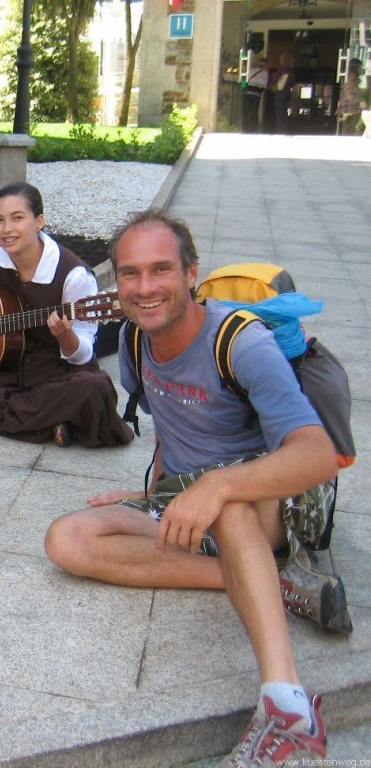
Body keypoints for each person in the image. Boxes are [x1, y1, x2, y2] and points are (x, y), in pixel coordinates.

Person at [44, 210, 351, 765]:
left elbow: (316, 455)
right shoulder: (136, 345)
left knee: (227, 508)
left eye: (160, 270)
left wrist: (216, 489)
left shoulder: (240, 341)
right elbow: (171, 426)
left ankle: (289, 709)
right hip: (189, 493)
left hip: (271, 497)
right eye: (130, 274)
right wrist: (152, 492)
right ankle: (272, 585)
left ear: (191, 274)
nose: (144, 287)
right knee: (68, 539)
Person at [0, 181, 134, 448]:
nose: (6, 229)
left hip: (56, 373)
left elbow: (84, 355)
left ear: (39, 221)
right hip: (5, 368)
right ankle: (48, 420)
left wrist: (66, 336)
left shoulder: (73, 275)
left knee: (94, 388)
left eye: (17, 218)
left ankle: (20, 414)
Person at [241, 55, 268, 134]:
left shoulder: (251, 70)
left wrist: (243, 88)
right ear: (265, 64)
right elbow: (264, 86)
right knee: (254, 111)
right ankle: (252, 130)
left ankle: (244, 129)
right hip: (256, 94)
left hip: (247, 92)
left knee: (245, 111)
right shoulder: (265, 73)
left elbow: (245, 81)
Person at [337, 58, 364, 136]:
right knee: (352, 120)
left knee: (347, 121)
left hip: (348, 99)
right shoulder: (353, 75)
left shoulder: (349, 75)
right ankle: (348, 133)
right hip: (351, 99)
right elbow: (353, 84)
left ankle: (346, 133)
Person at [271, 52, 296, 134]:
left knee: (279, 113)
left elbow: (275, 81)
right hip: (287, 93)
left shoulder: (282, 70)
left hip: (280, 93)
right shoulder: (291, 71)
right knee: (283, 113)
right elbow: (292, 83)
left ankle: (280, 131)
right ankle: (282, 130)